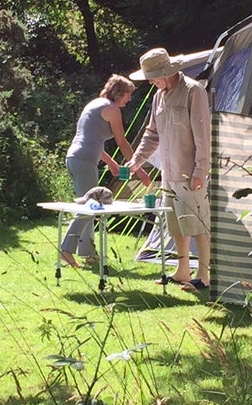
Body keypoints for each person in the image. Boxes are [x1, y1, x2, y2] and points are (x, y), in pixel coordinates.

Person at [126, 48, 211, 291]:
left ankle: (204, 275)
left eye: (153, 76)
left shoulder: (193, 91)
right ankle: (182, 270)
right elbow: (152, 134)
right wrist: (136, 161)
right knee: (175, 224)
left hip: (189, 172)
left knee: (198, 224)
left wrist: (200, 171)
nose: (151, 82)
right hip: (169, 172)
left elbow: (203, 136)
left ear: (166, 71)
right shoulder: (158, 97)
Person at [60, 75, 147, 268]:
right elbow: (122, 142)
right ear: (119, 93)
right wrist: (138, 167)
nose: (129, 99)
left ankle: (89, 253)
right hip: (84, 161)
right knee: (90, 207)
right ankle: (66, 250)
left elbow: (92, 139)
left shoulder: (95, 104)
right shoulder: (112, 109)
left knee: (89, 205)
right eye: (128, 95)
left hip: (75, 159)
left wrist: (112, 163)